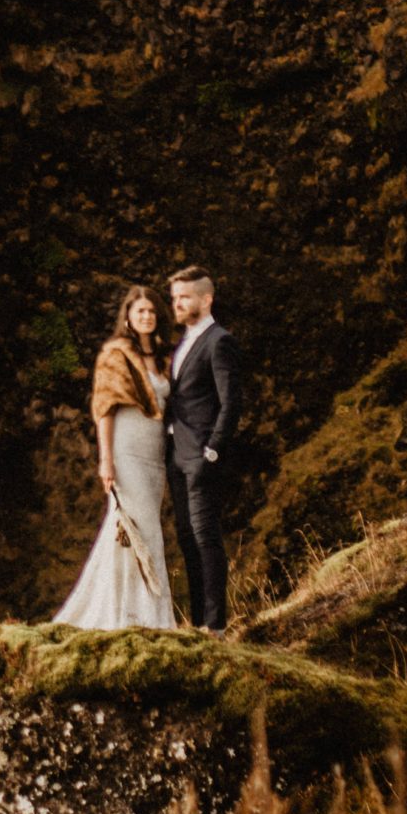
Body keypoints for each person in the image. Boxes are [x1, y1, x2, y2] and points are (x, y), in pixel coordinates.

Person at [54, 285, 177, 630]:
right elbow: (104, 410)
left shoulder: (164, 357)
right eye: (140, 311)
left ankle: (136, 613)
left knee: (131, 531)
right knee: (138, 528)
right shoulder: (115, 354)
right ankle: (138, 617)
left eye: (151, 312)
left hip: (154, 454)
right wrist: (105, 460)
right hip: (126, 449)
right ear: (128, 316)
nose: (146, 317)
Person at [165, 265, 241, 633]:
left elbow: (231, 402)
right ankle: (196, 623)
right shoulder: (184, 342)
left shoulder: (219, 340)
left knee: (205, 536)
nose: (177, 304)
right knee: (185, 539)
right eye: (175, 298)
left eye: (184, 297)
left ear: (206, 299)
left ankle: (215, 626)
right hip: (176, 455)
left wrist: (213, 449)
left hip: (201, 455)